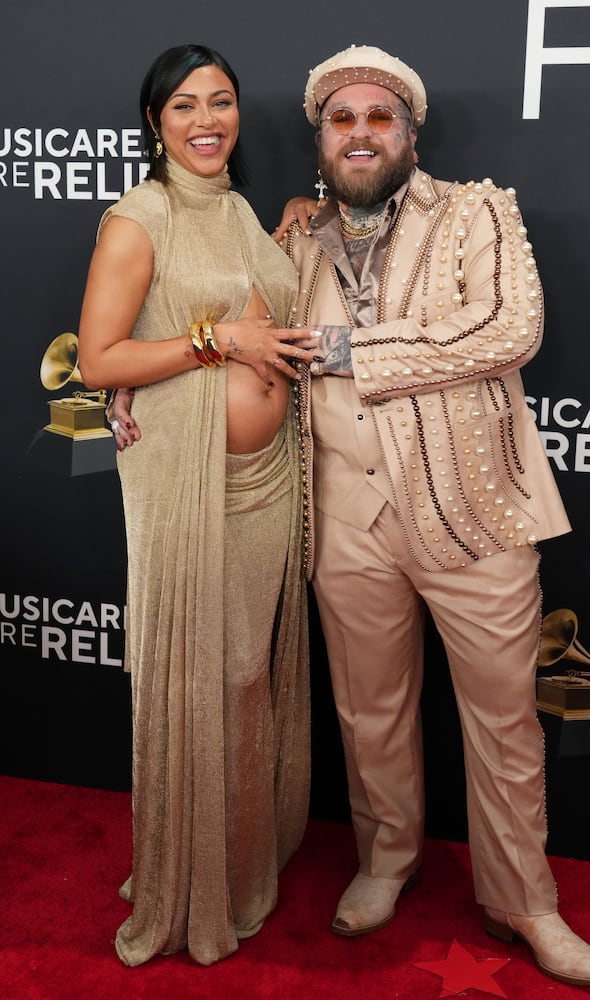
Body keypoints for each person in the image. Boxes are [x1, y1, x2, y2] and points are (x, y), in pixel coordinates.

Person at [108, 44, 590, 988]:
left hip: (471, 511)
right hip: (339, 513)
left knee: (504, 722)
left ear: (408, 132)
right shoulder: (290, 236)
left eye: (377, 117)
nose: (359, 133)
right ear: (319, 138)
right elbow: (213, 324)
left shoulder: (475, 210)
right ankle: (387, 861)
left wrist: (347, 347)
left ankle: (527, 903)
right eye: (339, 119)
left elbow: (508, 328)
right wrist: (128, 391)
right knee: (370, 712)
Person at [77, 43, 319, 967]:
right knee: (195, 678)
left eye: (221, 102)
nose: (207, 120)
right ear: (155, 122)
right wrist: (215, 340)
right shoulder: (137, 220)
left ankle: (240, 863)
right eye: (185, 106)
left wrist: (297, 221)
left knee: (243, 678)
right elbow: (101, 360)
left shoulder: (244, 209)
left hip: (264, 487)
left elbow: (274, 289)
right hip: (187, 484)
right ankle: (188, 884)